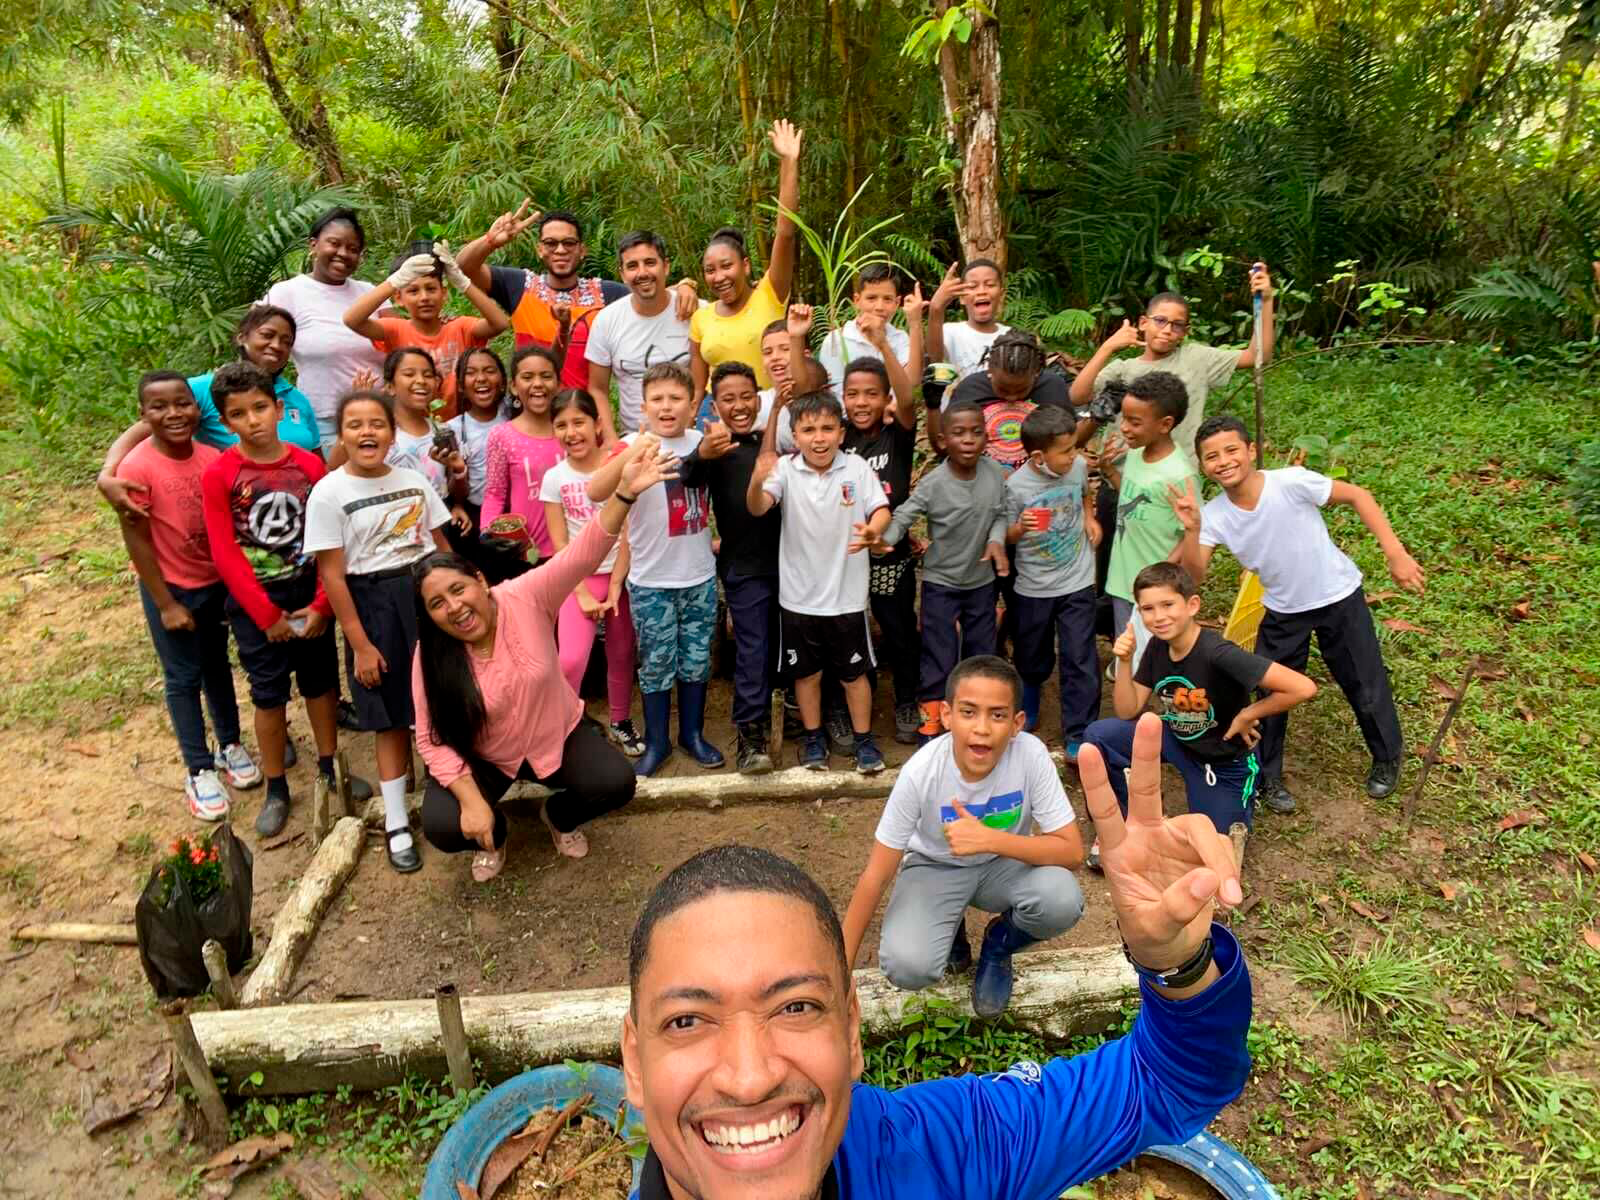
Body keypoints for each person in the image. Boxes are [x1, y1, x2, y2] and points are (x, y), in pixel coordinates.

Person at [620, 714, 1250, 1200]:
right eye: (687, 1020)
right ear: (633, 1059)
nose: (749, 1077)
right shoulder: (921, 770)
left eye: (795, 1006)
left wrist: (1178, 963)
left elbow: (1164, 1084)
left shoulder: (942, 1153)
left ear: (851, 1028)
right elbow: (881, 868)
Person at [412, 436, 672, 876]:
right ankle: (495, 837)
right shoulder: (431, 652)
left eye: (458, 589)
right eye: (437, 604)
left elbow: (583, 552)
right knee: (442, 825)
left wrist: (624, 493)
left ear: (479, 579)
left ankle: (558, 816)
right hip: (486, 755)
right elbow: (430, 738)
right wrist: (473, 802)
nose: (453, 607)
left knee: (616, 782)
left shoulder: (525, 596)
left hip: (554, 736)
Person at [1172, 415, 1425, 811]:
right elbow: (1194, 575)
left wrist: (1395, 552)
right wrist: (1191, 529)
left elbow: (1359, 496)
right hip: (1282, 611)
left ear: (1251, 451)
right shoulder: (1214, 514)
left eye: (1231, 450)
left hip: (1339, 597)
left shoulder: (1289, 482)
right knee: (1271, 691)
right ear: (1203, 465)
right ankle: (1268, 776)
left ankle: (1387, 755)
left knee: (1364, 680)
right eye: (1211, 456)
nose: (1223, 461)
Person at [841, 656, 1084, 1019]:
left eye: (998, 715)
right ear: (946, 714)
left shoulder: (1031, 756)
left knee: (1062, 898)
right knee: (907, 966)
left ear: (1017, 723)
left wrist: (990, 839)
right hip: (934, 867)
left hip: (1004, 865)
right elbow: (875, 875)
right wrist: (838, 974)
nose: (982, 728)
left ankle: (999, 945)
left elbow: (1072, 851)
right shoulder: (920, 773)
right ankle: (949, 927)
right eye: (968, 712)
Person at [305, 390, 454, 874]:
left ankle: (445, 794)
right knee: (389, 715)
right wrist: (361, 643)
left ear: (393, 432)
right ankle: (395, 821)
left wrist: (461, 590)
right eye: (355, 424)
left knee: (438, 701)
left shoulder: (413, 480)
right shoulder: (329, 492)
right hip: (371, 605)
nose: (367, 432)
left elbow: (438, 541)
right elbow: (332, 574)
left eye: (377, 424)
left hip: (424, 594)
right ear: (342, 434)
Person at [1086, 562, 1317, 864]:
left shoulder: (1217, 653)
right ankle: (1127, 824)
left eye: (1168, 604)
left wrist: (1249, 713)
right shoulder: (1158, 647)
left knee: (1211, 850)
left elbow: (1302, 687)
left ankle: (1236, 807)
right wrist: (1126, 662)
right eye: (1148, 609)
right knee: (1099, 736)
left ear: (1192, 605)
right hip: (1177, 741)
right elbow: (1128, 708)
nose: (1159, 616)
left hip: (1221, 762)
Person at [199, 362, 341, 838]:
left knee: (321, 684)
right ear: (224, 421)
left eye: (261, 407)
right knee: (268, 693)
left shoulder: (309, 466)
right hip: (257, 601)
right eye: (238, 413)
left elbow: (328, 540)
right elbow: (225, 551)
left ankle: (329, 766)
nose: (253, 420)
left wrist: (323, 604)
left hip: (309, 589)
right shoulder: (221, 475)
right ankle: (277, 786)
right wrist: (265, 614)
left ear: (279, 408)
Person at [117, 371, 260, 821]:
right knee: (183, 676)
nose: (173, 413)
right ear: (143, 415)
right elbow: (136, 538)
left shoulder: (215, 457)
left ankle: (230, 743)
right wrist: (165, 603)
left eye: (182, 403)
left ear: (199, 410)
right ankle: (198, 769)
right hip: (172, 587)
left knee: (218, 663)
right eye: (159, 406)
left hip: (215, 583)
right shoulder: (136, 468)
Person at [587, 363, 722, 776]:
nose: (667, 407)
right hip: (650, 581)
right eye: (657, 399)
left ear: (691, 404)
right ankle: (658, 741)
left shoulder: (703, 441)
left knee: (697, 659)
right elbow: (595, 489)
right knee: (658, 663)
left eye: (676, 398)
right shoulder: (633, 444)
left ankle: (693, 734)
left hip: (699, 574)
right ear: (643, 406)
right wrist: (631, 452)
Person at [748, 390, 892, 774]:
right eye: (808, 429)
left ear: (841, 433)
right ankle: (813, 739)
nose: (819, 437)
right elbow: (759, 506)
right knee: (806, 675)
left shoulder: (857, 469)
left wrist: (874, 533)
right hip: (798, 599)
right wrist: (756, 479)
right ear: (795, 436)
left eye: (828, 428)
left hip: (846, 597)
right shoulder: (784, 471)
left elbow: (880, 509)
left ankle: (864, 741)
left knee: (854, 675)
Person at [864, 399, 1009, 743]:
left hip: (981, 583)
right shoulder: (934, 482)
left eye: (976, 432)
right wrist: (887, 538)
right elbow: (903, 514)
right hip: (940, 583)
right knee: (938, 650)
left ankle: (979, 714)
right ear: (943, 441)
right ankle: (932, 718)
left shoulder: (995, 474)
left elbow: (1002, 513)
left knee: (981, 650)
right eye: (959, 433)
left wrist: (997, 541)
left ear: (986, 438)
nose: (969, 440)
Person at [96, 306, 320, 517]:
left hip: (300, 513)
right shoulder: (207, 388)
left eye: (286, 341)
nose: (276, 345)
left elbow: (318, 459)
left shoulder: (295, 398)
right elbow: (145, 427)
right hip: (240, 511)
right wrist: (107, 475)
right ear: (242, 337)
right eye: (267, 335)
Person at [455, 205, 697, 392]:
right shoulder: (520, 285)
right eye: (551, 243)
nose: (560, 250)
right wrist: (490, 241)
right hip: (529, 413)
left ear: (582, 250)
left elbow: (652, 293)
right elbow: (463, 268)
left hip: (585, 421)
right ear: (540, 249)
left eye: (569, 243)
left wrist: (686, 286)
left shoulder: (606, 294)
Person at [675, 362, 782, 774]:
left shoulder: (776, 446)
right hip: (743, 568)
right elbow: (687, 475)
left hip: (792, 566)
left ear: (759, 397)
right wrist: (701, 451)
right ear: (714, 406)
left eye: (746, 396)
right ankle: (750, 736)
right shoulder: (716, 451)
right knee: (752, 650)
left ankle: (795, 718)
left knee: (784, 645)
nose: (739, 405)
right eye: (728, 399)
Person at [1070, 265, 1275, 466]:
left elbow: (1258, 355)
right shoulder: (1122, 368)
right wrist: (1107, 347)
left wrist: (1266, 300)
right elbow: (1077, 396)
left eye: (1177, 325)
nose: (1168, 330)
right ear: (1143, 323)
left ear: (1185, 331)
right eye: (1160, 320)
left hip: (1177, 478)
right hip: (1121, 479)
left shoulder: (1196, 358)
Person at [538, 389, 644, 758]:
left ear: (598, 424)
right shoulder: (554, 477)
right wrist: (580, 592)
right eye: (561, 425)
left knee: (621, 651)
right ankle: (566, 724)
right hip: (574, 580)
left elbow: (631, 528)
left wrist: (616, 583)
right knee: (570, 658)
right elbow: (558, 542)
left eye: (579, 422)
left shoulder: (618, 467)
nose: (571, 432)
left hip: (620, 576)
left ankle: (620, 720)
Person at [1004, 405, 1101, 757]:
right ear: (1038, 456)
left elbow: (1084, 493)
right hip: (1034, 585)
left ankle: (1079, 730)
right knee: (1032, 652)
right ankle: (1027, 703)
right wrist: (1019, 529)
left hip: (1077, 579)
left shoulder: (1076, 467)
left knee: (1079, 655)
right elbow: (1005, 536)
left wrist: (1090, 519)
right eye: (1066, 450)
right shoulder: (1016, 487)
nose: (1074, 455)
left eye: (1075, 447)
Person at [689, 119, 804, 399]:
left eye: (727, 266)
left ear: (746, 265)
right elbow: (697, 388)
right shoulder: (700, 318)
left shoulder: (770, 293)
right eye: (710, 270)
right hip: (717, 414)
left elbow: (786, 234)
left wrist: (789, 162)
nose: (719, 277)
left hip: (771, 407)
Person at [263, 206, 388, 449]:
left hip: (380, 415)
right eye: (334, 244)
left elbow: (401, 340)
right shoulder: (288, 292)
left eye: (353, 249)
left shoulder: (371, 292)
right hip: (324, 422)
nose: (343, 253)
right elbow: (256, 342)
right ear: (313, 245)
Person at [342, 240, 509, 418]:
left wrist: (462, 282)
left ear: (443, 293)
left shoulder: (460, 327)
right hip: (411, 426)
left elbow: (499, 323)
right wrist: (394, 282)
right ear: (398, 298)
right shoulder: (396, 329)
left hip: (460, 424)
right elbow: (352, 319)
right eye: (413, 291)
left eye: (431, 289)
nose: (424, 297)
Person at [1102, 371, 1199, 673]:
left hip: (1155, 591)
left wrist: (1163, 578)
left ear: (1165, 424)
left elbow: (1193, 531)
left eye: (1134, 422)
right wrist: (1108, 470)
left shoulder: (1179, 474)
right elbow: (1134, 495)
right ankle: (1131, 709)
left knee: (1154, 663)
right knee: (1129, 655)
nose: (1124, 428)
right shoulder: (1137, 454)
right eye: (1124, 418)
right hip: (1123, 580)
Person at [586, 230, 699, 439]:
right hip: (634, 439)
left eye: (650, 263)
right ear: (622, 274)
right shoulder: (606, 320)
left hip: (691, 437)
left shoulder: (696, 311)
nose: (642, 273)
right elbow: (597, 388)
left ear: (666, 266)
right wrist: (611, 440)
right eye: (632, 266)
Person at [940, 329, 1088, 466]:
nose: (1011, 398)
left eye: (1022, 389)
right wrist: (933, 407)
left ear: (1036, 373)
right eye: (1002, 389)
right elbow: (943, 446)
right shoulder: (971, 388)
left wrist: (1094, 420)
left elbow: (1070, 441)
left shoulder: (1052, 387)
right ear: (990, 368)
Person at [442, 348, 523, 582]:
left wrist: (563, 334)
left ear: (504, 381)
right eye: (471, 373)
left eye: (489, 371)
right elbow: (456, 488)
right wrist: (458, 472)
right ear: (460, 384)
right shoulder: (453, 429)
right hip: (478, 517)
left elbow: (544, 373)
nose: (481, 378)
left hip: (521, 512)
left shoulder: (516, 413)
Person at [481, 346, 565, 565]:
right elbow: (495, 493)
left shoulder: (572, 431)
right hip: (527, 553)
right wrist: (487, 533)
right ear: (514, 387)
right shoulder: (502, 435)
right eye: (527, 377)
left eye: (546, 376)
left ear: (558, 384)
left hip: (573, 547)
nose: (537, 384)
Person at [380, 348, 472, 525]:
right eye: (409, 374)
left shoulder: (442, 431)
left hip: (441, 521)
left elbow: (453, 490)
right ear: (390, 386)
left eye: (428, 375)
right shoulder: (382, 435)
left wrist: (458, 471)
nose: (420, 381)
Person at [815, 264, 923, 396]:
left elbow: (912, 381)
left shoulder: (899, 338)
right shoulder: (836, 340)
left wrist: (915, 323)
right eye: (871, 298)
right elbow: (834, 393)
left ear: (897, 303)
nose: (879, 307)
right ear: (857, 300)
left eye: (887, 299)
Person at [927, 258, 1011, 376]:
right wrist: (936, 308)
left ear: (1001, 295)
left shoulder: (1011, 335)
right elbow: (934, 362)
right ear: (961, 297)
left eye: (990, 285)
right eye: (972, 286)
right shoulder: (949, 332)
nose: (981, 291)